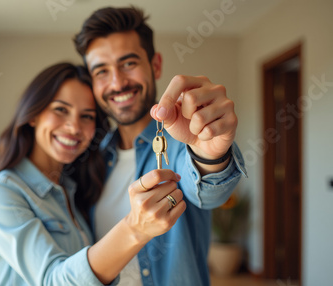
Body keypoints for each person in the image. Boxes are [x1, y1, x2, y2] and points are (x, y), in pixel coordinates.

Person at [0, 62, 187, 286]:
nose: (74, 127)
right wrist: (135, 229)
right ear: (33, 115)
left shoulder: (71, 189)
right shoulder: (1, 193)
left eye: (86, 116)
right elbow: (54, 281)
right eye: (61, 110)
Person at [73, 7, 247, 286]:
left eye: (128, 63)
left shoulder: (181, 143)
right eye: (102, 71)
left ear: (155, 65)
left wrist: (211, 155)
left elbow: (207, 192)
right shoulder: (89, 158)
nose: (117, 82)